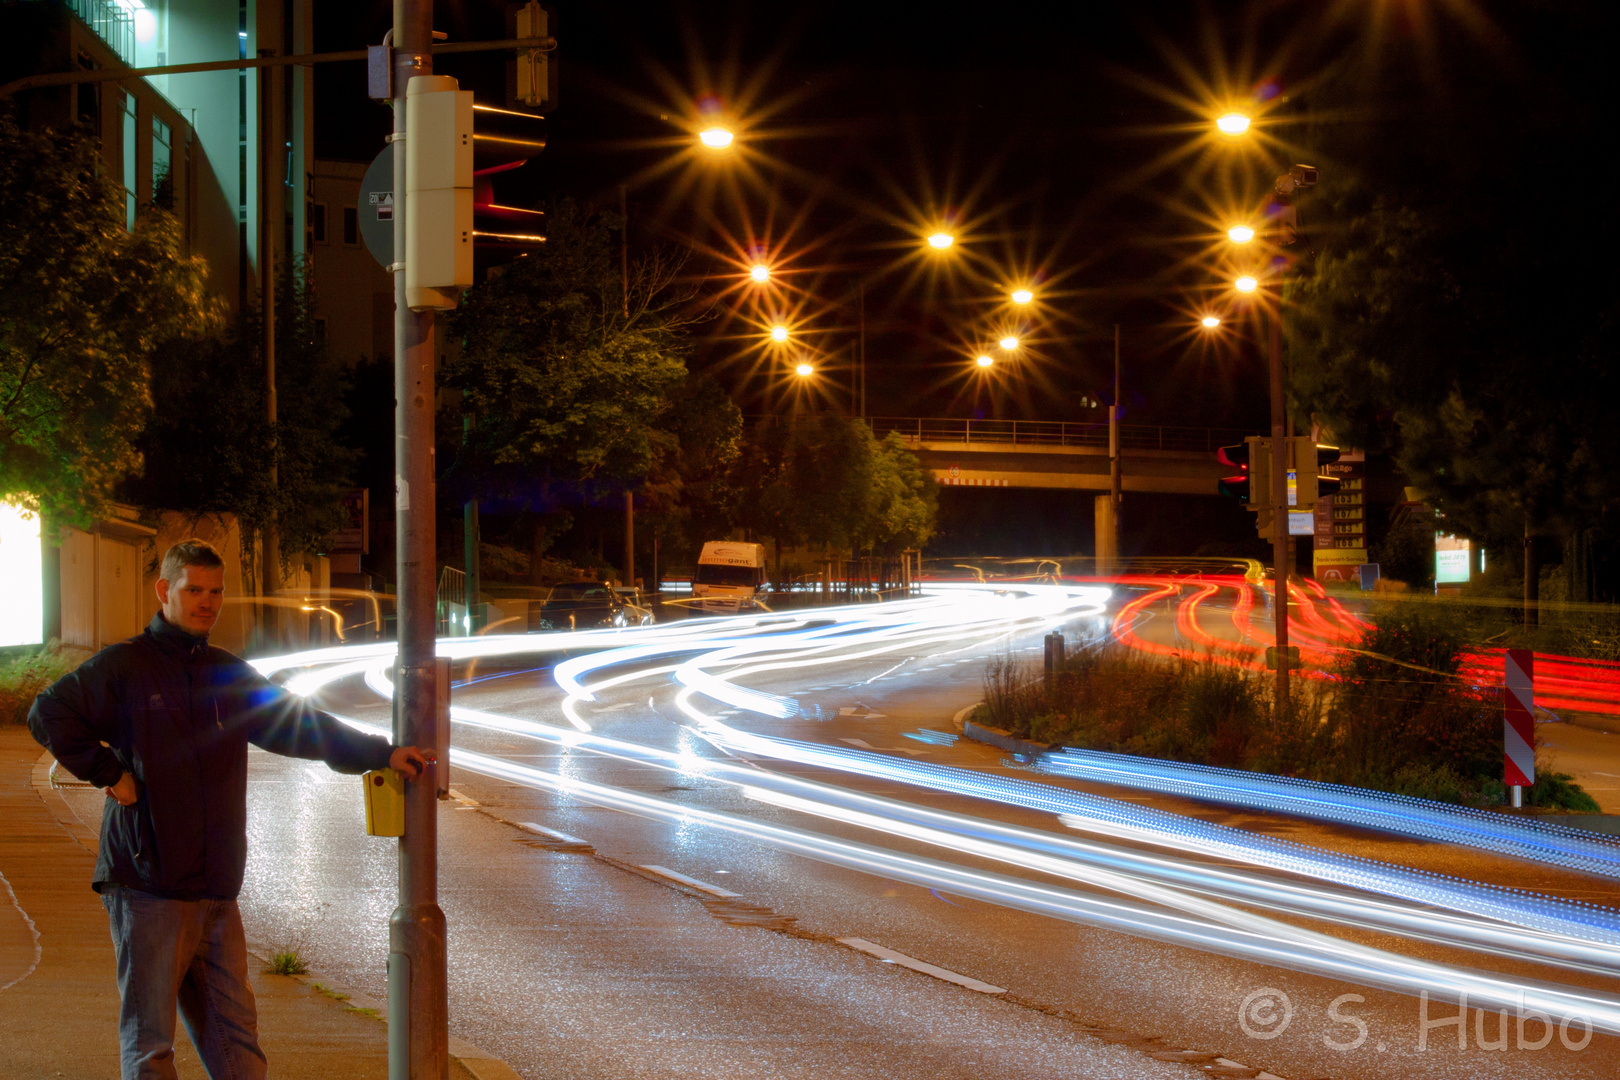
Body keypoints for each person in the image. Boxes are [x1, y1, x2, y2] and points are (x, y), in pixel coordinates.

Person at [27, 538, 431, 1080]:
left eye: (216, 592)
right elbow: (49, 713)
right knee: (151, 1047)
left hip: (216, 888)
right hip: (149, 885)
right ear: (163, 591)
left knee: (235, 1039)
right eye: (194, 589)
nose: (207, 602)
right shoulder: (125, 667)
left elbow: (297, 722)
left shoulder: (226, 673)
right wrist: (111, 775)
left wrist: (380, 752)